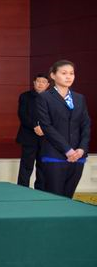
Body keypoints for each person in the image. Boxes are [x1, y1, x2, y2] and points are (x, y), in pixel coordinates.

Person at [37, 60, 90, 198]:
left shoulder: (79, 98)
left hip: (78, 156)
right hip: (54, 155)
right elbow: (46, 127)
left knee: (68, 197)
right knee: (54, 198)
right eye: (64, 73)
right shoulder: (44, 97)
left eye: (71, 73)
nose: (69, 77)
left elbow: (85, 125)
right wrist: (67, 150)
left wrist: (82, 148)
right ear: (53, 75)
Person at [16, 73, 50, 189]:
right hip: (28, 136)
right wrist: (35, 126)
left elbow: (55, 117)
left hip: (46, 137)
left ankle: (40, 191)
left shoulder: (52, 98)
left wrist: (44, 128)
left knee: (43, 166)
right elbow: (22, 114)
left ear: (48, 85)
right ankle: (22, 190)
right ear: (34, 83)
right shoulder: (25, 96)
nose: (40, 84)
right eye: (38, 81)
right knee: (26, 165)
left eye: (43, 82)